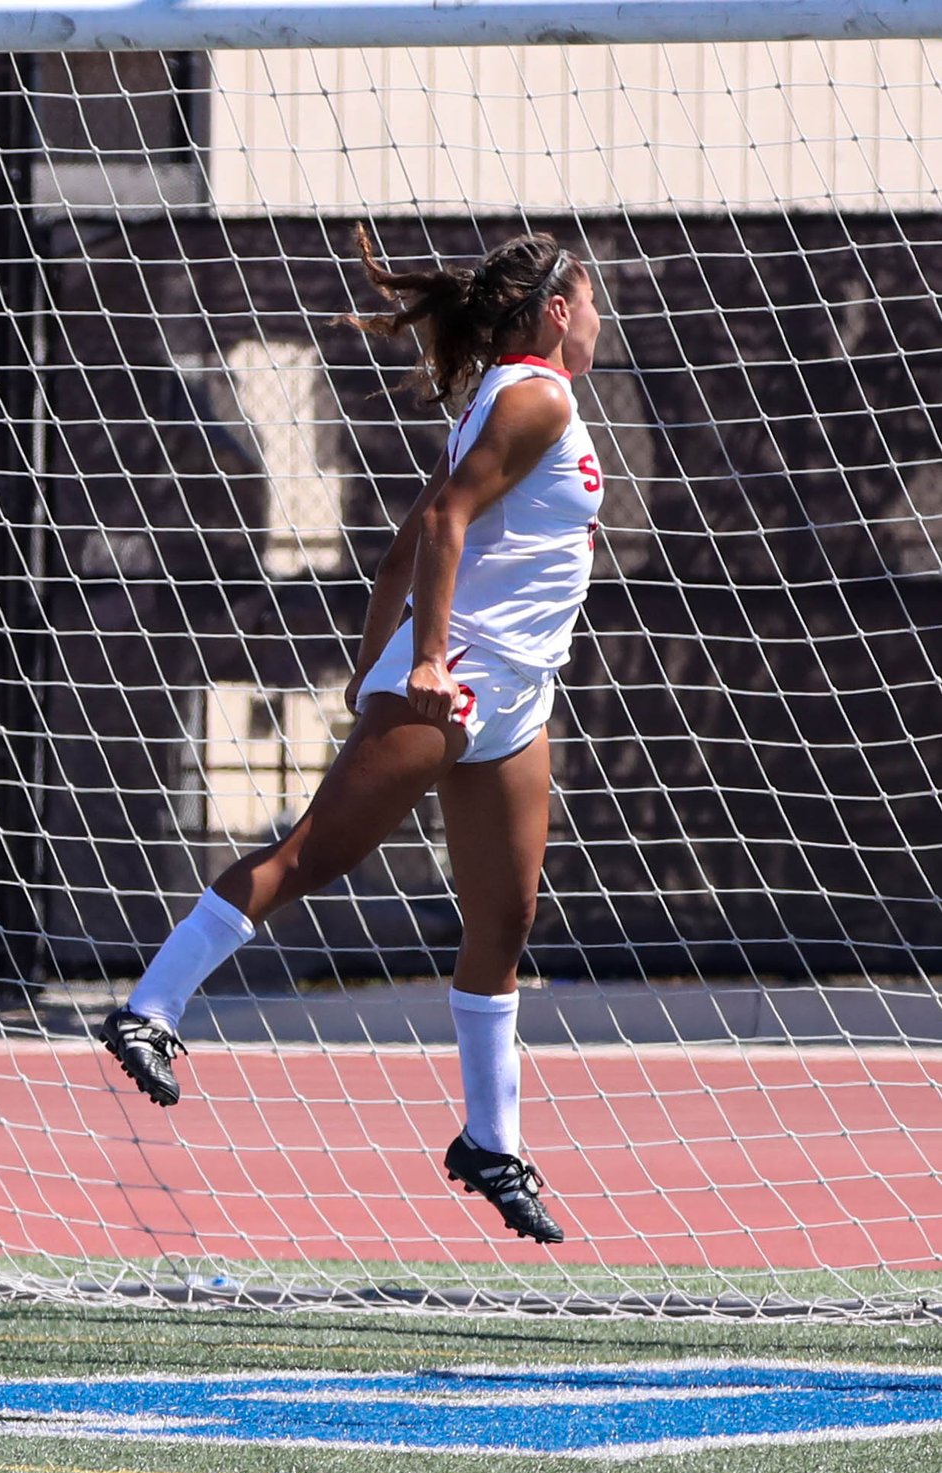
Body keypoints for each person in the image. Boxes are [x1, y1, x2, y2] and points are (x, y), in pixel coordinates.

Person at [100, 229, 604, 1247]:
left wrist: (376, 664)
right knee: (312, 857)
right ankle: (147, 1008)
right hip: (456, 683)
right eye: (591, 302)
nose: (599, 320)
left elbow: (407, 542)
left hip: (513, 697)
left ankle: (490, 1141)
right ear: (556, 311)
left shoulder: (507, 399)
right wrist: (414, 670)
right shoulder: (536, 394)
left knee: (504, 918)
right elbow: (450, 523)